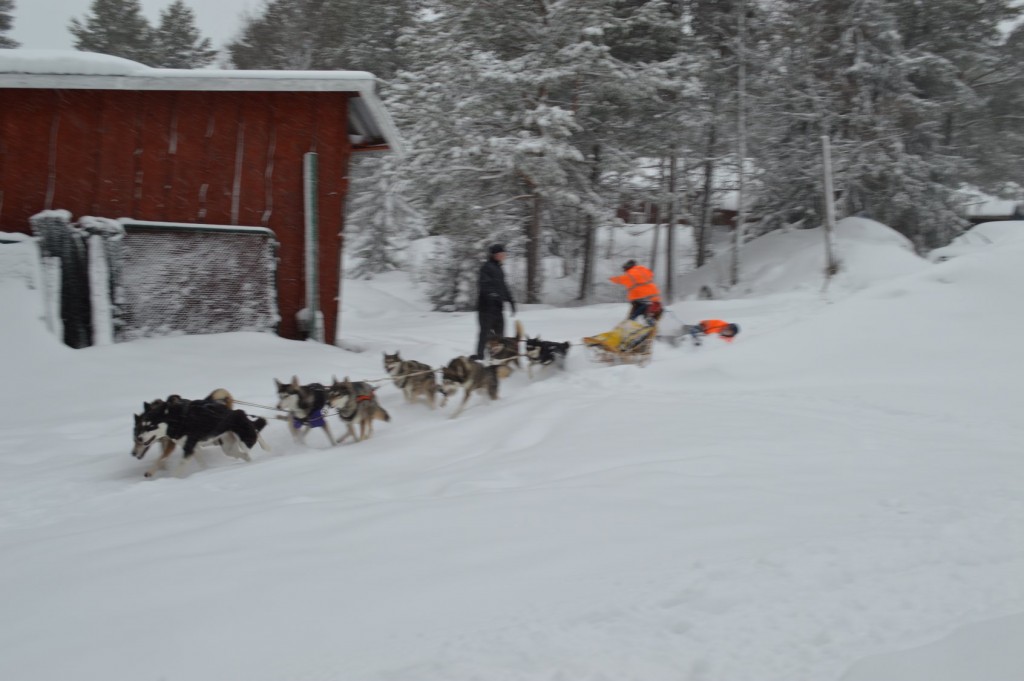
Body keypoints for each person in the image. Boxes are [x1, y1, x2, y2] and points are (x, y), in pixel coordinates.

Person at [476, 243, 516, 359]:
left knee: (500, 336)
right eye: (500, 254)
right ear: (494, 255)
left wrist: (511, 301)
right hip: (486, 309)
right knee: (485, 334)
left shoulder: (499, 269)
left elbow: (504, 287)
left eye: (504, 254)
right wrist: (493, 295)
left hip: (498, 309)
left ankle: (498, 357)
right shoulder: (486, 267)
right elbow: (483, 285)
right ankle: (480, 357)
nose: (503, 256)